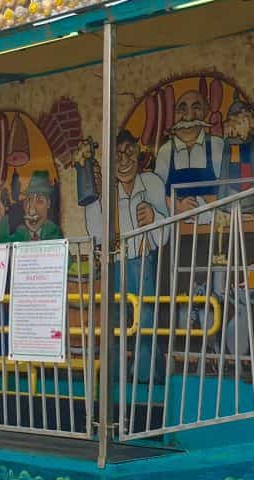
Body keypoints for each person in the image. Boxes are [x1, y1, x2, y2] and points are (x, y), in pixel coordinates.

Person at [89, 131, 170, 382]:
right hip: (112, 264)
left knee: (145, 320)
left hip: (143, 262)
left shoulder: (152, 183)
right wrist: (100, 196)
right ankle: (111, 377)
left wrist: (155, 218)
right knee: (113, 322)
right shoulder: (101, 191)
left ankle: (144, 379)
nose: (123, 159)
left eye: (129, 151)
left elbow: (165, 232)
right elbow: (94, 232)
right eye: (116, 155)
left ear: (138, 153)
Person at [153, 88, 227, 218]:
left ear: (206, 112)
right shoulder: (165, 151)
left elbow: (227, 189)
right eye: (181, 110)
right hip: (178, 231)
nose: (188, 116)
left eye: (196, 108)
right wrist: (177, 206)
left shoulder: (217, 145)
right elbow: (157, 194)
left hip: (213, 229)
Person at [0, 172, 63, 242]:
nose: (32, 211)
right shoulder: (19, 232)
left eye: (39, 201)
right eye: (29, 200)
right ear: (24, 205)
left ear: (48, 203)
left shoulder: (53, 231)